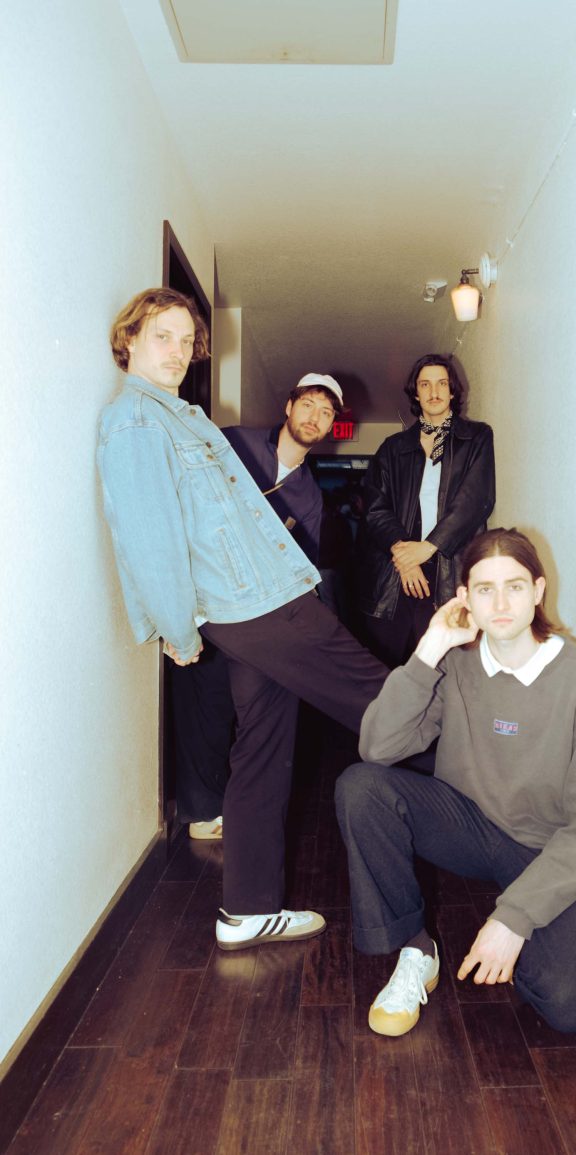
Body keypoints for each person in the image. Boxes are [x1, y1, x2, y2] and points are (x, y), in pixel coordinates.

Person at [98, 288, 388, 949]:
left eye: (186, 340)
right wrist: (176, 627)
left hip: (259, 596)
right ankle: (498, 786)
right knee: (380, 694)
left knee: (264, 747)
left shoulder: (179, 417)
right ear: (130, 340)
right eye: (162, 336)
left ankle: (247, 909)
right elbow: (150, 539)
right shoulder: (137, 423)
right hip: (255, 603)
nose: (178, 351)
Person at [335, 527, 576, 1038]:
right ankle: (415, 950)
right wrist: (428, 650)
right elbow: (377, 748)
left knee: (572, 1005)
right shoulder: (455, 660)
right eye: (485, 589)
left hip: (541, 848)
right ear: (464, 597)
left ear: (538, 590)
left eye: (515, 586)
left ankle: (512, 933)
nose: (501, 604)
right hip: (465, 825)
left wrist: (514, 919)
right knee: (362, 788)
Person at [174, 373, 345, 841]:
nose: (314, 417)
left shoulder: (310, 496)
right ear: (289, 406)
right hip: (207, 600)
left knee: (252, 712)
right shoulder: (236, 443)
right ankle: (201, 812)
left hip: (258, 615)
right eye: (308, 405)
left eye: (326, 413)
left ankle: (239, 808)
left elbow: (301, 567)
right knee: (205, 704)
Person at [357, 353, 496, 667]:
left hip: (450, 569)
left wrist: (429, 547)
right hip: (396, 574)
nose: (434, 391)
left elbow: (475, 501)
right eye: (425, 384)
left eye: (442, 383)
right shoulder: (392, 448)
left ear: (452, 391)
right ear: (416, 393)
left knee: (443, 668)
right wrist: (405, 555)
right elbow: (376, 509)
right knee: (385, 670)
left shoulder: (476, 438)